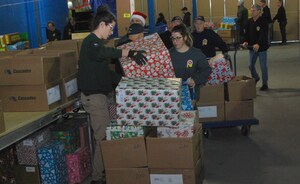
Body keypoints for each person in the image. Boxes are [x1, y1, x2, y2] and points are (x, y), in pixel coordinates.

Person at [77, 6, 147, 184]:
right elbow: (104, 53)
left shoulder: (97, 44)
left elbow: (105, 74)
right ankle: (97, 177)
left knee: (109, 134)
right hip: (94, 98)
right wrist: (129, 52)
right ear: (102, 24)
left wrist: (126, 80)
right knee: (103, 138)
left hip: (102, 95)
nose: (111, 31)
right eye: (110, 27)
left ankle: (108, 170)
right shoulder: (91, 42)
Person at [169, 24, 212, 103]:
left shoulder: (196, 53)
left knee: (188, 114)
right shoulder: (168, 54)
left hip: (191, 92)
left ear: (185, 37)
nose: (175, 41)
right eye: (173, 38)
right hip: (172, 93)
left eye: (178, 38)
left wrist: (195, 80)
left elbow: (207, 70)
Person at [242, 4, 269, 91]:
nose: (252, 12)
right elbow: (246, 34)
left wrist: (258, 43)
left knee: (263, 66)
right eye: (251, 10)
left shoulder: (263, 21)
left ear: (258, 11)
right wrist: (245, 41)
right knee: (250, 65)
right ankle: (256, 77)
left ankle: (265, 83)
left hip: (261, 48)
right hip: (252, 48)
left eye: (253, 10)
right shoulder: (249, 21)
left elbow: (263, 34)